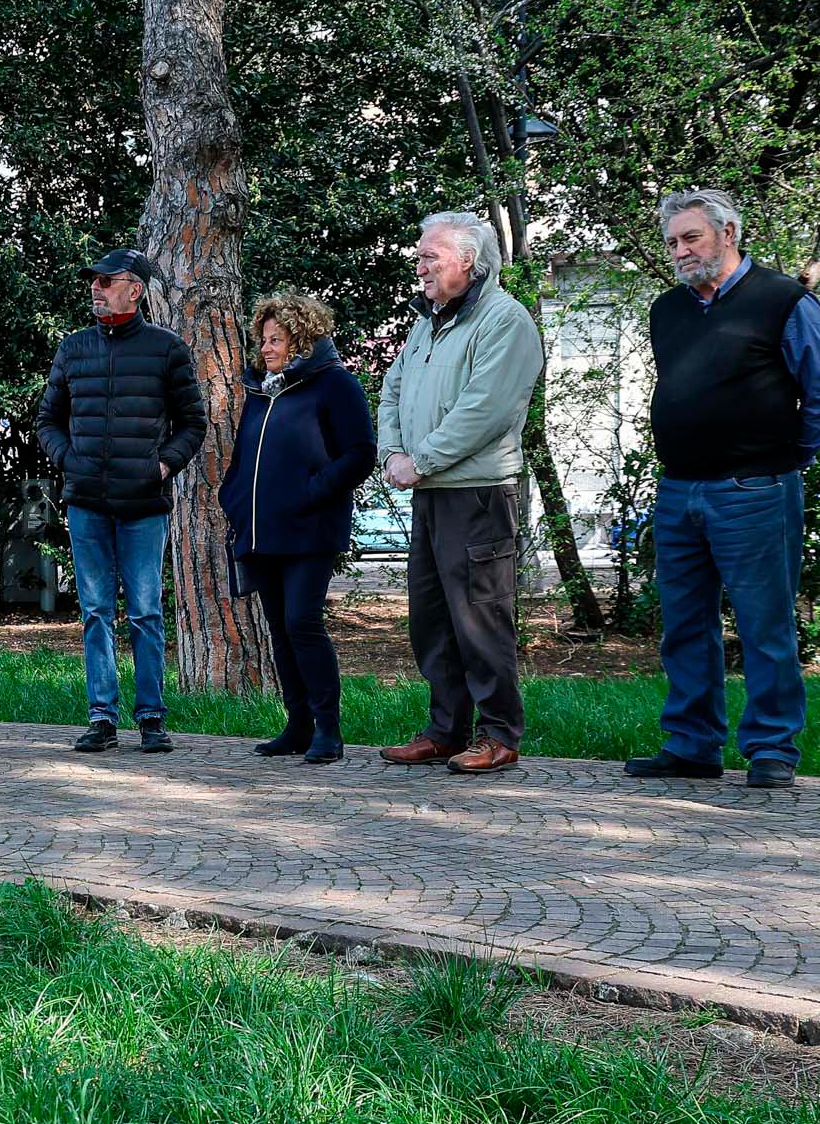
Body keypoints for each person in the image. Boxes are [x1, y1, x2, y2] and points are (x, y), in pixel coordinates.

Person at [625, 187, 820, 790]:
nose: (680, 250)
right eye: (672, 242)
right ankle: (692, 744)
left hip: (755, 489)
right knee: (684, 625)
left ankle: (772, 748)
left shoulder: (783, 300)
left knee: (763, 624)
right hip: (678, 490)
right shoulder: (667, 310)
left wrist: (786, 457)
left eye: (691, 237)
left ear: (728, 234)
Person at [373, 211, 545, 774]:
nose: (419, 266)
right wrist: (392, 453)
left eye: (430, 257)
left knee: (480, 619)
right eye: (420, 256)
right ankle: (446, 730)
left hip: (478, 493)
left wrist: (419, 460)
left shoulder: (505, 320)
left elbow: (485, 410)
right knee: (431, 618)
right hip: (430, 491)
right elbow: (392, 390)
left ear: (467, 261)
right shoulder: (428, 323)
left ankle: (499, 734)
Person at [37, 246, 208, 754]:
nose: (96, 287)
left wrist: (163, 464)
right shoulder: (73, 349)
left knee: (145, 612)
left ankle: (151, 718)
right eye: (94, 280)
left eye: (106, 280)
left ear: (134, 290)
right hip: (86, 502)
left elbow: (193, 422)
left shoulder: (167, 348)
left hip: (143, 504)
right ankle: (102, 718)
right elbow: (48, 420)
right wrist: (69, 460)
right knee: (94, 611)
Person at [218, 292, 376, 763]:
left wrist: (310, 492)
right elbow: (244, 456)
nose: (265, 348)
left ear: (301, 340)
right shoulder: (261, 392)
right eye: (263, 339)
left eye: (276, 339)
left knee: (302, 622)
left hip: (310, 529)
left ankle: (329, 728)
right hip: (261, 530)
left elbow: (360, 454)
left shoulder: (335, 384)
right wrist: (233, 498)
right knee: (279, 629)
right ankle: (298, 725)